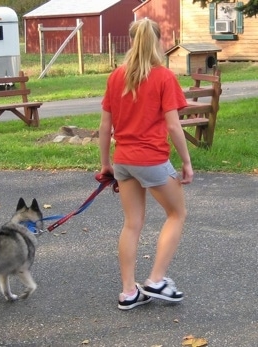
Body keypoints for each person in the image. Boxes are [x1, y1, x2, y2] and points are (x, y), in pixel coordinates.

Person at [99, 18, 194, 311]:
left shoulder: (116, 77)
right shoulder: (164, 77)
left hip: (124, 161)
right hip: (151, 159)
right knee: (177, 213)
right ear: (158, 41)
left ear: (130, 40)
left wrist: (106, 165)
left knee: (132, 223)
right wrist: (187, 163)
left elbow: (105, 126)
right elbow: (174, 126)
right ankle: (156, 280)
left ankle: (129, 292)